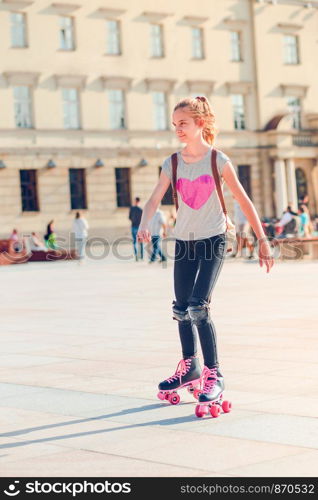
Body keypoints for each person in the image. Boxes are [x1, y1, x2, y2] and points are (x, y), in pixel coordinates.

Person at [137, 95, 273, 415]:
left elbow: (243, 200)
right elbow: (154, 199)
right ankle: (190, 367)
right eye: (175, 125)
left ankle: (214, 372)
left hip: (213, 238)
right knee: (181, 307)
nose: (178, 129)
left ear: (200, 123)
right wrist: (144, 224)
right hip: (184, 241)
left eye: (183, 123)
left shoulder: (218, 160)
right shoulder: (172, 162)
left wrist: (263, 239)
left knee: (199, 305)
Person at [129, 197, 144, 261]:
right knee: (141, 242)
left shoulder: (132, 209)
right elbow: (143, 219)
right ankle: (141, 256)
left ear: (135, 201)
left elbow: (129, 217)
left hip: (133, 226)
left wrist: (133, 220)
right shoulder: (141, 209)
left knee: (134, 242)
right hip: (139, 227)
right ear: (139, 201)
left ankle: (136, 255)